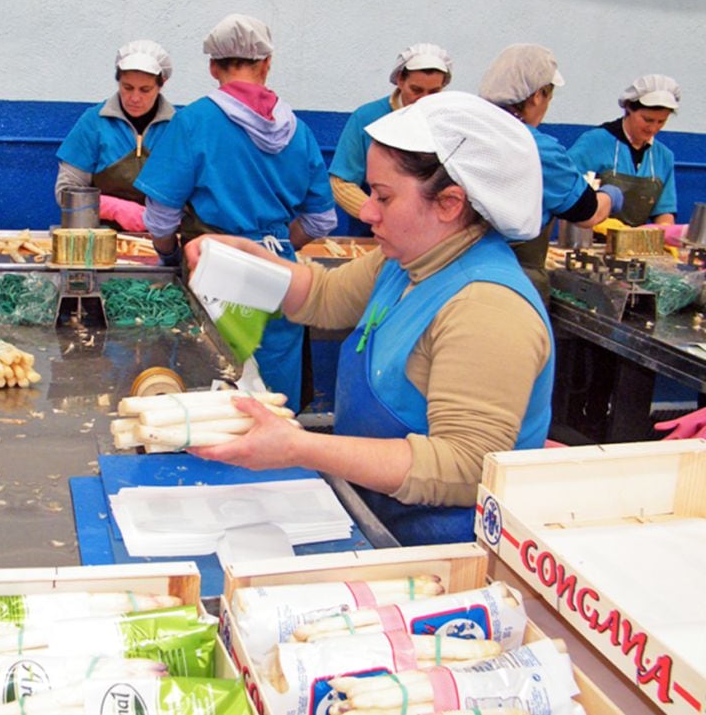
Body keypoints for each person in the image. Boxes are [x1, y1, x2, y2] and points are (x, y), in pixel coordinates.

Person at [183, 91, 553, 546]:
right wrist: (245, 262)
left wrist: (301, 446)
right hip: (374, 513)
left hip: (444, 549)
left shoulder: (487, 309)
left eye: (383, 196)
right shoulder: (406, 261)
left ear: (450, 202)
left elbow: (466, 465)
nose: (366, 211)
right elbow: (324, 296)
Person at [135, 14, 337, 412]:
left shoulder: (193, 123)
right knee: (274, 403)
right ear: (267, 64)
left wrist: (170, 256)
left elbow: (160, 219)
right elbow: (321, 220)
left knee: (215, 399)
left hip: (215, 272)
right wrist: (273, 246)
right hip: (281, 275)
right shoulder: (300, 131)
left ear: (213, 67)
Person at [478, 43, 623, 301]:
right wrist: (611, 197)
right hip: (511, 279)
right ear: (537, 95)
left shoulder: (465, 130)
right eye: (549, 98)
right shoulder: (536, 149)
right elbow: (587, 213)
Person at [328, 43, 451, 233]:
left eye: (433, 92)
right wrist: (377, 213)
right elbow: (341, 183)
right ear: (400, 80)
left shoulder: (449, 122)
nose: (424, 100)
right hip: (373, 233)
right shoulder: (367, 118)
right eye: (416, 90)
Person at [55, 40, 175, 231]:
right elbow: (66, 193)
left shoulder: (177, 128)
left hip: (162, 238)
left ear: (162, 84)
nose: (135, 98)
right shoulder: (93, 123)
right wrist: (116, 209)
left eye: (145, 90)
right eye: (127, 87)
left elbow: (192, 194)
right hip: (97, 237)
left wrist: (159, 217)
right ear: (118, 81)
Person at [568, 74, 681, 227]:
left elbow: (664, 212)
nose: (653, 128)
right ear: (628, 108)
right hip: (588, 239)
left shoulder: (664, 157)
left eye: (661, 121)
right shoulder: (594, 143)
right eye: (647, 120)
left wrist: (665, 231)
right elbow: (565, 190)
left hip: (638, 246)